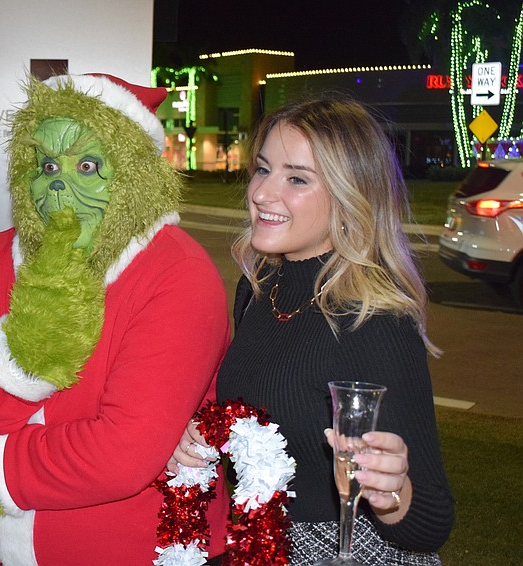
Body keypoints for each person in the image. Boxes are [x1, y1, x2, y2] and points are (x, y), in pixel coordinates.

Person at [0, 73, 232, 565]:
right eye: (46, 163)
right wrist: (26, 347)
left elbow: (124, 453)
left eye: (89, 164)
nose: (58, 181)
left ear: (135, 174)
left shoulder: (178, 272)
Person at [170, 95, 455, 565]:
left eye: (297, 178)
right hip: (263, 547)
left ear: (349, 196)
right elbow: (266, 421)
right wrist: (203, 433)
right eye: (263, 169)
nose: (262, 193)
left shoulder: (374, 318)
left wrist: (391, 492)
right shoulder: (260, 288)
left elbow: (431, 523)